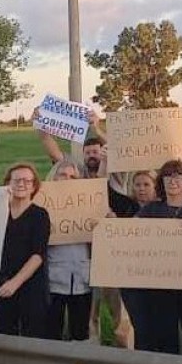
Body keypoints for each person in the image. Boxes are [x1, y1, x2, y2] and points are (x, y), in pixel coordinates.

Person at [33, 106, 134, 348]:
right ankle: (88, 360)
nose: (92, 155)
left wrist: (96, 127)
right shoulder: (74, 176)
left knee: (122, 318)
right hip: (81, 262)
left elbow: (119, 152)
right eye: (88, 151)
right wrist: (43, 127)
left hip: (110, 258)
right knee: (88, 320)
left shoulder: (114, 179)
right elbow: (56, 153)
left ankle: (129, 361)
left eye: (97, 151)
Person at [133, 160, 182, 356]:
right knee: (166, 337)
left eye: (178, 176)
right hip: (162, 283)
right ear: (161, 181)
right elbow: (130, 232)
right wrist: (111, 222)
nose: (172, 181)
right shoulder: (151, 210)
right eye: (167, 176)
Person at [0, 162, 54, 364]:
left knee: (36, 342)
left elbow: (38, 255)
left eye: (27, 181)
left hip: (30, 288)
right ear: (8, 182)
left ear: (34, 186)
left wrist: (15, 283)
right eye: (16, 180)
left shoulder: (40, 215)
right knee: (6, 342)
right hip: (1, 288)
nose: (21, 184)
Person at [44, 159, 92, 342]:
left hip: (82, 278)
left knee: (80, 331)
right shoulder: (42, 204)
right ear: (54, 177)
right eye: (62, 174)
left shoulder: (89, 204)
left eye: (73, 176)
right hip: (53, 278)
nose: (67, 178)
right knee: (50, 330)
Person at [118, 170, 158, 349]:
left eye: (147, 184)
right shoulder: (126, 207)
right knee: (139, 325)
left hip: (159, 278)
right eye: (138, 185)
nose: (142, 189)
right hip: (131, 279)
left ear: (156, 187)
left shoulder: (164, 209)